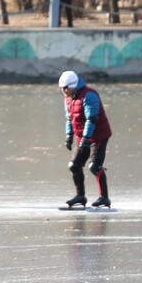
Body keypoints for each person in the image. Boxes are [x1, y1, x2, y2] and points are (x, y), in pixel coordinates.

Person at [58, 70, 112, 208]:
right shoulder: (68, 98)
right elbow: (69, 118)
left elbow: (92, 119)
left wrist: (87, 138)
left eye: (66, 88)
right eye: (62, 88)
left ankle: (104, 198)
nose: (64, 91)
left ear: (73, 85)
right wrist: (69, 135)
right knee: (74, 166)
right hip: (83, 136)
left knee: (94, 166)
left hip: (98, 135)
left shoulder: (89, 95)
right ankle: (80, 196)